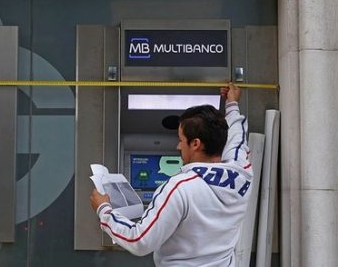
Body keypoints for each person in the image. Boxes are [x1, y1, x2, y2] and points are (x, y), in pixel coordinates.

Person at [90, 83, 252, 267]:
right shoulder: (242, 174)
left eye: (181, 140)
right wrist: (232, 105)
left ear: (195, 144)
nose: (178, 146)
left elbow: (139, 240)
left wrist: (104, 210)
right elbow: (238, 139)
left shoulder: (180, 188)